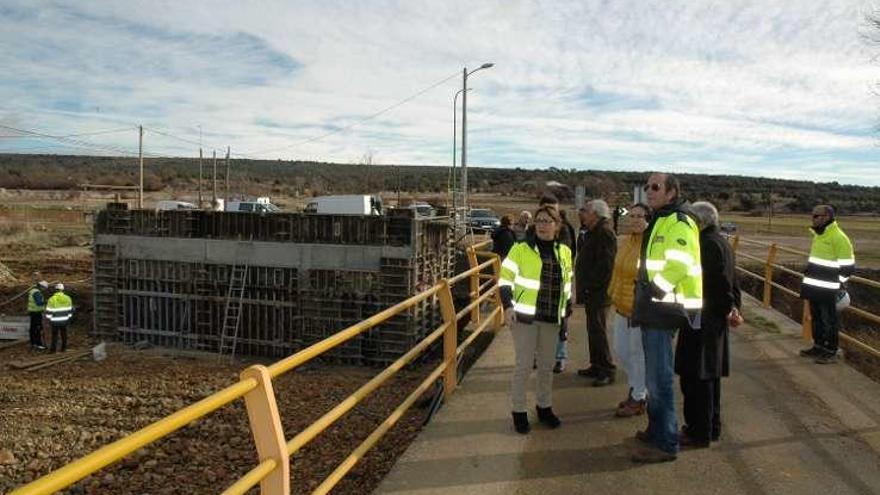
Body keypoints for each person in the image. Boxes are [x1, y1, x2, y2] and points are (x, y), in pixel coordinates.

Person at [630, 172, 702, 464]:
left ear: (672, 193)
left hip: (664, 308)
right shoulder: (661, 219)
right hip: (655, 308)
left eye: (655, 187)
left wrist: (652, 291)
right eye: (647, 187)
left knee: (659, 381)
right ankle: (656, 429)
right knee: (653, 376)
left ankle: (666, 443)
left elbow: (679, 264)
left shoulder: (679, 222)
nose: (649, 191)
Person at [500, 205, 573, 434]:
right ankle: (519, 411)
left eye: (547, 221)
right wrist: (508, 306)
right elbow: (504, 279)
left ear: (557, 225)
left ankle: (544, 407)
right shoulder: (520, 249)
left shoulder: (565, 252)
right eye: (539, 221)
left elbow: (567, 283)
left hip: (552, 317)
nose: (542, 225)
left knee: (546, 366)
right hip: (525, 317)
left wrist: (566, 310)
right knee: (523, 366)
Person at [675, 201, 742, 448]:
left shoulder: (705, 245)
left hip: (703, 318)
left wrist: (728, 308)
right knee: (710, 377)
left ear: (699, 221)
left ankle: (698, 432)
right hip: (711, 318)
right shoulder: (722, 242)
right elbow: (733, 281)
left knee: (696, 378)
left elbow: (721, 284)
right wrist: (734, 308)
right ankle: (710, 428)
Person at [798, 204, 855, 364]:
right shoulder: (819, 236)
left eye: (816, 216)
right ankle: (819, 346)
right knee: (816, 319)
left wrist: (837, 285)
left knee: (829, 321)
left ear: (827, 217)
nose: (813, 219)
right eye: (812, 216)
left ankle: (831, 351)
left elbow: (848, 268)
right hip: (813, 288)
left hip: (828, 290)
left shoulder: (839, 237)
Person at [608, 204, 649, 417]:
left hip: (639, 311)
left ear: (648, 219)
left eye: (639, 216)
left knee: (637, 354)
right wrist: (612, 294)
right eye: (631, 216)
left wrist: (640, 307)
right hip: (621, 307)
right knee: (621, 350)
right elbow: (618, 271)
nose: (634, 220)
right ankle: (638, 388)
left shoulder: (651, 245)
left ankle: (639, 396)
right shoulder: (626, 241)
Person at [575, 199, 618, 386]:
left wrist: (590, 284)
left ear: (596, 214)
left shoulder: (604, 233)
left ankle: (607, 369)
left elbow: (606, 266)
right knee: (593, 329)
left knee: (598, 330)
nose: (582, 214)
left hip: (599, 292)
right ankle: (596, 365)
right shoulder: (594, 232)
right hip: (593, 291)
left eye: (586, 211)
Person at [45, 283, 74, 353]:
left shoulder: (52, 299)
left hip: (55, 321)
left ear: (55, 290)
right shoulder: (68, 298)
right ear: (63, 290)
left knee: (54, 335)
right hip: (64, 320)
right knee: (64, 334)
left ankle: (53, 350)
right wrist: (68, 317)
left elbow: (49, 311)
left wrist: (48, 318)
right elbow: (70, 310)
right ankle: (63, 349)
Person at [27, 280, 49, 350]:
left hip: (33, 312)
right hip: (36, 313)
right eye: (44, 288)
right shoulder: (37, 293)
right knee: (38, 328)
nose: (44, 290)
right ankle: (38, 344)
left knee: (33, 328)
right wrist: (46, 301)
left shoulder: (33, 290)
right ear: (41, 287)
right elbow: (39, 303)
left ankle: (33, 343)